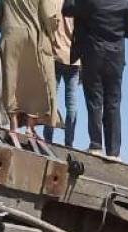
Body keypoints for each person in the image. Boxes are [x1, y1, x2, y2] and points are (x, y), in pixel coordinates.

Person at [63, 0, 128, 159]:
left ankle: (96, 145)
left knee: (94, 100)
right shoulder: (124, 3)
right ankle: (114, 152)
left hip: (93, 55)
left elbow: (67, 9)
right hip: (116, 59)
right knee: (113, 103)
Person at [0, 0, 59, 135]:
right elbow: (49, 17)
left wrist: (8, 29)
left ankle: (13, 122)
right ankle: (30, 127)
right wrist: (52, 32)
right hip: (31, 37)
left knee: (10, 81)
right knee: (33, 83)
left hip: (10, 35)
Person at [43, 4, 79, 146]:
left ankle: (48, 138)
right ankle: (69, 141)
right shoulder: (80, 6)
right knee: (72, 103)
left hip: (56, 56)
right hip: (74, 60)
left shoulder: (55, 3)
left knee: (51, 99)